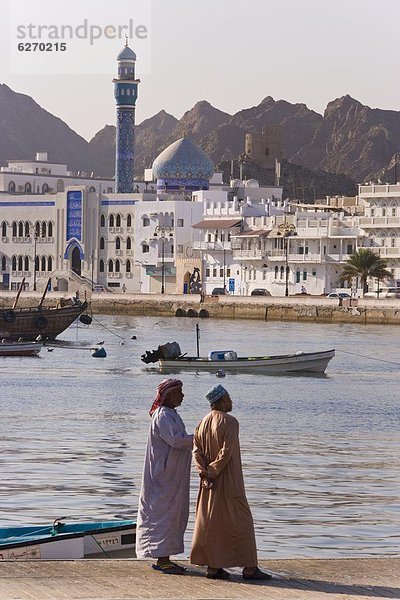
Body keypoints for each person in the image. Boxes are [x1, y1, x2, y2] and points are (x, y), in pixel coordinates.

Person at [190, 384, 271, 581]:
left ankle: (213, 567)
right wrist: (213, 472)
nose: (231, 401)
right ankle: (250, 568)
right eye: (229, 397)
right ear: (221, 400)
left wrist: (204, 473)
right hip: (227, 480)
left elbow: (196, 452)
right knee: (242, 520)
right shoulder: (230, 422)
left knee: (212, 523)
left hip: (208, 482)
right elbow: (226, 452)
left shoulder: (201, 423)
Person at [136, 379, 193, 574]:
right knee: (162, 515)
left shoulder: (172, 415)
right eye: (179, 393)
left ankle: (166, 557)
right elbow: (176, 441)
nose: (183, 396)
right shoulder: (163, 416)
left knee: (173, 515)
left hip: (172, 476)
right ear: (168, 395)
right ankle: (161, 559)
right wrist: (202, 436)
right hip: (162, 477)